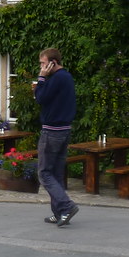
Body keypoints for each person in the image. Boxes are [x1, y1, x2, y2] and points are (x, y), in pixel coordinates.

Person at [34, 48, 78, 227]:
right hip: (64, 129)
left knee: (44, 173)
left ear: (53, 62)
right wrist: (42, 85)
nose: (42, 67)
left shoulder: (57, 78)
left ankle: (66, 206)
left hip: (52, 131)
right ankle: (59, 212)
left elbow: (40, 98)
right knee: (56, 173)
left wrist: (41, 79)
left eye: (43, 63)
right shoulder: (66, 77)